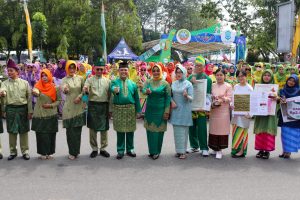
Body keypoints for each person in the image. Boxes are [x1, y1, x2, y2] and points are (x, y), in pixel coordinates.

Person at [0, 59, 32, 161]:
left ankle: (25, 151)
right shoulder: (5, 83)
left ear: (17, 72)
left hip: (23, 108)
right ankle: (13, 151)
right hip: (11, 109)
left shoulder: (25, 83)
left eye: (11, 71)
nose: (9, 72)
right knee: (12, 131)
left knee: (23, 131)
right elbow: (2, 91)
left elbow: (29, 98)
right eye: (8, 71)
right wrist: (3, 94)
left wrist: (30, 111)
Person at [111, 61, 141, 160]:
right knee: (120, 131)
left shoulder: (132, 84)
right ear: (118, 71)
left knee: (130, 131)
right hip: (118, 109)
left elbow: (136, 98)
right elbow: (112, 88)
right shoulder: (115, 82)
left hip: (130, 109)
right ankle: (120, 150)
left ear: (128, 71)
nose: (123, 71)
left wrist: (138, 111)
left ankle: (130, 149)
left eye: (125, 70)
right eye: (121, 70)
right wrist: (114, 90)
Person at [83, 59, 111, 158]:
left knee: (104, 129)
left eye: (101, 69)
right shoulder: (89, 79)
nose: (99, 71)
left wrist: (110, 109)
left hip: (104, 106)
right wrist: (86, 90)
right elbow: (86, 88)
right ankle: (94, 148)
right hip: (93, 106)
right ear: (94, 69)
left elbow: (110, 95)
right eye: (97, 69)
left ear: (103, 69)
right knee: (93, 129)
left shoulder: (108, 81)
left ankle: (103, 148)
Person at [143, 64, 171, 160]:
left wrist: (167, 111)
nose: (155, 72)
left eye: (157, 70)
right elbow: (143, 90)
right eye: (154, 71)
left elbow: (168, 98)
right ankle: (151, 151)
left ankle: (157, 151)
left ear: (161, 71)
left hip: (161, 111)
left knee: (159, 132)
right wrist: (146, 91)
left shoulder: (165, 84)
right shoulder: (148, 81)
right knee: (150, 131)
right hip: (150, 110)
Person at [31, 69, 60, 160]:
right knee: (40, 134)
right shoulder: (37, 86)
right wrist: (35, 92)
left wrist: (51, 105)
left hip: (51, 114)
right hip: (39, 114)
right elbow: (35, 92)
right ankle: (43, 153)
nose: (44, 77)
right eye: (42, 75)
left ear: (49, 76)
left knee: (51, 134)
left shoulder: (55, 88)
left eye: (46, 75)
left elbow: (59, 101)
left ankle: (50, 152)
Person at [60, 60, 86, 160]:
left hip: (79, 107)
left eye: (73, 67)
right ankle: (71, 151)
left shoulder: (80, 78)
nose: (71, 69)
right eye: (69, 68)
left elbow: (85, 91)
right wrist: (65, 89)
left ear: (76, 68)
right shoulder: (64, 80)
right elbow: (63, 88)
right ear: (66, 68)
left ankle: (76, 151)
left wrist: (80, 97)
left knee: (77, 131)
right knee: (70, 132)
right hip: (69, 108)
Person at [187, 55, 212, 157]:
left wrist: (207, 108)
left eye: (200, 65)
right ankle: (194, 146)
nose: (198, 67)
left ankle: (204, 147)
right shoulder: (190, 77)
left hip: (201, 107)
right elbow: (187, 91)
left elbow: (208, 95)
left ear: (204, 66)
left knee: (202, 127)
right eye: (196, 65)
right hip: (192, 106)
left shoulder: (208, 79)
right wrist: (191, 82)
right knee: (191, 127)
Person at [169, 64, 193, 159]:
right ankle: (178, 151)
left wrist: (186, 96)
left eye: (180, 72)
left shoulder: (188, 84)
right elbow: (169, 95)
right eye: (177, 72)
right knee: (177, 132)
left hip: (185, 110)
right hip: (175, 110)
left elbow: (192, 98)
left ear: (184, 73)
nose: (178, 74)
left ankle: (183, 152)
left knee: (183, 131)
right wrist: (172, 102)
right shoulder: (174, 83)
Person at [254, 70, 278, 159]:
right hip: (260, 113)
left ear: (271, 77)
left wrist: (277, 98)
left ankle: (267, 151)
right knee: (260, 130)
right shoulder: (258, 87)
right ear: (262, 76)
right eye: (265, 75)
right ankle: (260, 150)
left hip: (270, 113)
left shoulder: (275, 88)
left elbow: (279, 101)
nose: (266, 77)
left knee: (268, 130)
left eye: (269, 75)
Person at [209, 69, 233, 159]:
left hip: (223, 112)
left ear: (224, 76)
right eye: (217, 75)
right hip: (214, 110)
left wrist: (223, 99)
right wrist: (212, 98)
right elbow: (209, 96)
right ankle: (214, 148)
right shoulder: (212, 85)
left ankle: (220, 150)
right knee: (213, 129)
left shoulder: (228, 86)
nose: (219, 77)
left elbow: (230, 98)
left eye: (221, 75)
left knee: (221, 130)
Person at [231, 70, 253, 158]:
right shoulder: (236, 86)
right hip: (236, 113)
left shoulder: (249, 88)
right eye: (239, 76)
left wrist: (250, 114)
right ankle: (235, 149)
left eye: (242, 76)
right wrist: (231, 105)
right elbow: (233, 98)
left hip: (245, 114)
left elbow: (252, 102)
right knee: (235, 132)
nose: (240, 78)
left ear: (246, 76)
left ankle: (241, 151)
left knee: (243, 133)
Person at [278, 74, 300, 159]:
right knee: (285, 134)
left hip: (295, 117)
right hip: (285, 115)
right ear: (287, 81)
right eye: (290, 80)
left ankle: (288, 152)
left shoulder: (299, 90)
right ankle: (285, 151)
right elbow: (282, 98)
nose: (291, 82)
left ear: (296, 82)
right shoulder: (283, 90)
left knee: (293, 134)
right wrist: (282, 99)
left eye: (293, 81)